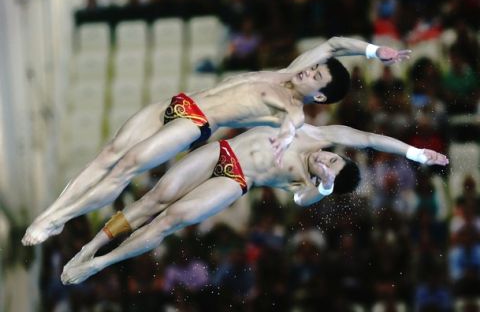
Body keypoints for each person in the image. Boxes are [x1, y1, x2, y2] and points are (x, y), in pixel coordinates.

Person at [22, 36, 411, 246]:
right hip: (182, 100)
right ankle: (51, 214)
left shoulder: (291, 109)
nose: (309, 72)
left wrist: (288, 140)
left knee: (126, 166)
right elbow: (333, 44)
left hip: (197, 122)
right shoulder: (288, 71)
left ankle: (59, 219)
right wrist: (377, 52)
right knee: (109, 153)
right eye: (313, 68)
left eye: (316, 77)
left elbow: (311, 131)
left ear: (320, 96)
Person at [60, 124, 448, 284]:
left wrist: (326, 188)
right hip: (223, 151)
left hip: (236, 180)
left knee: (170, 220)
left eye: (327, 168)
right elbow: (368, 138)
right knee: (155, 198)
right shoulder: (317, 135)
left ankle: (99, 263)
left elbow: (306, 197)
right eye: (331, 158)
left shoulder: (307, 184)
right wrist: (416, 153)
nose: (323, 162)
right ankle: (90, 245)